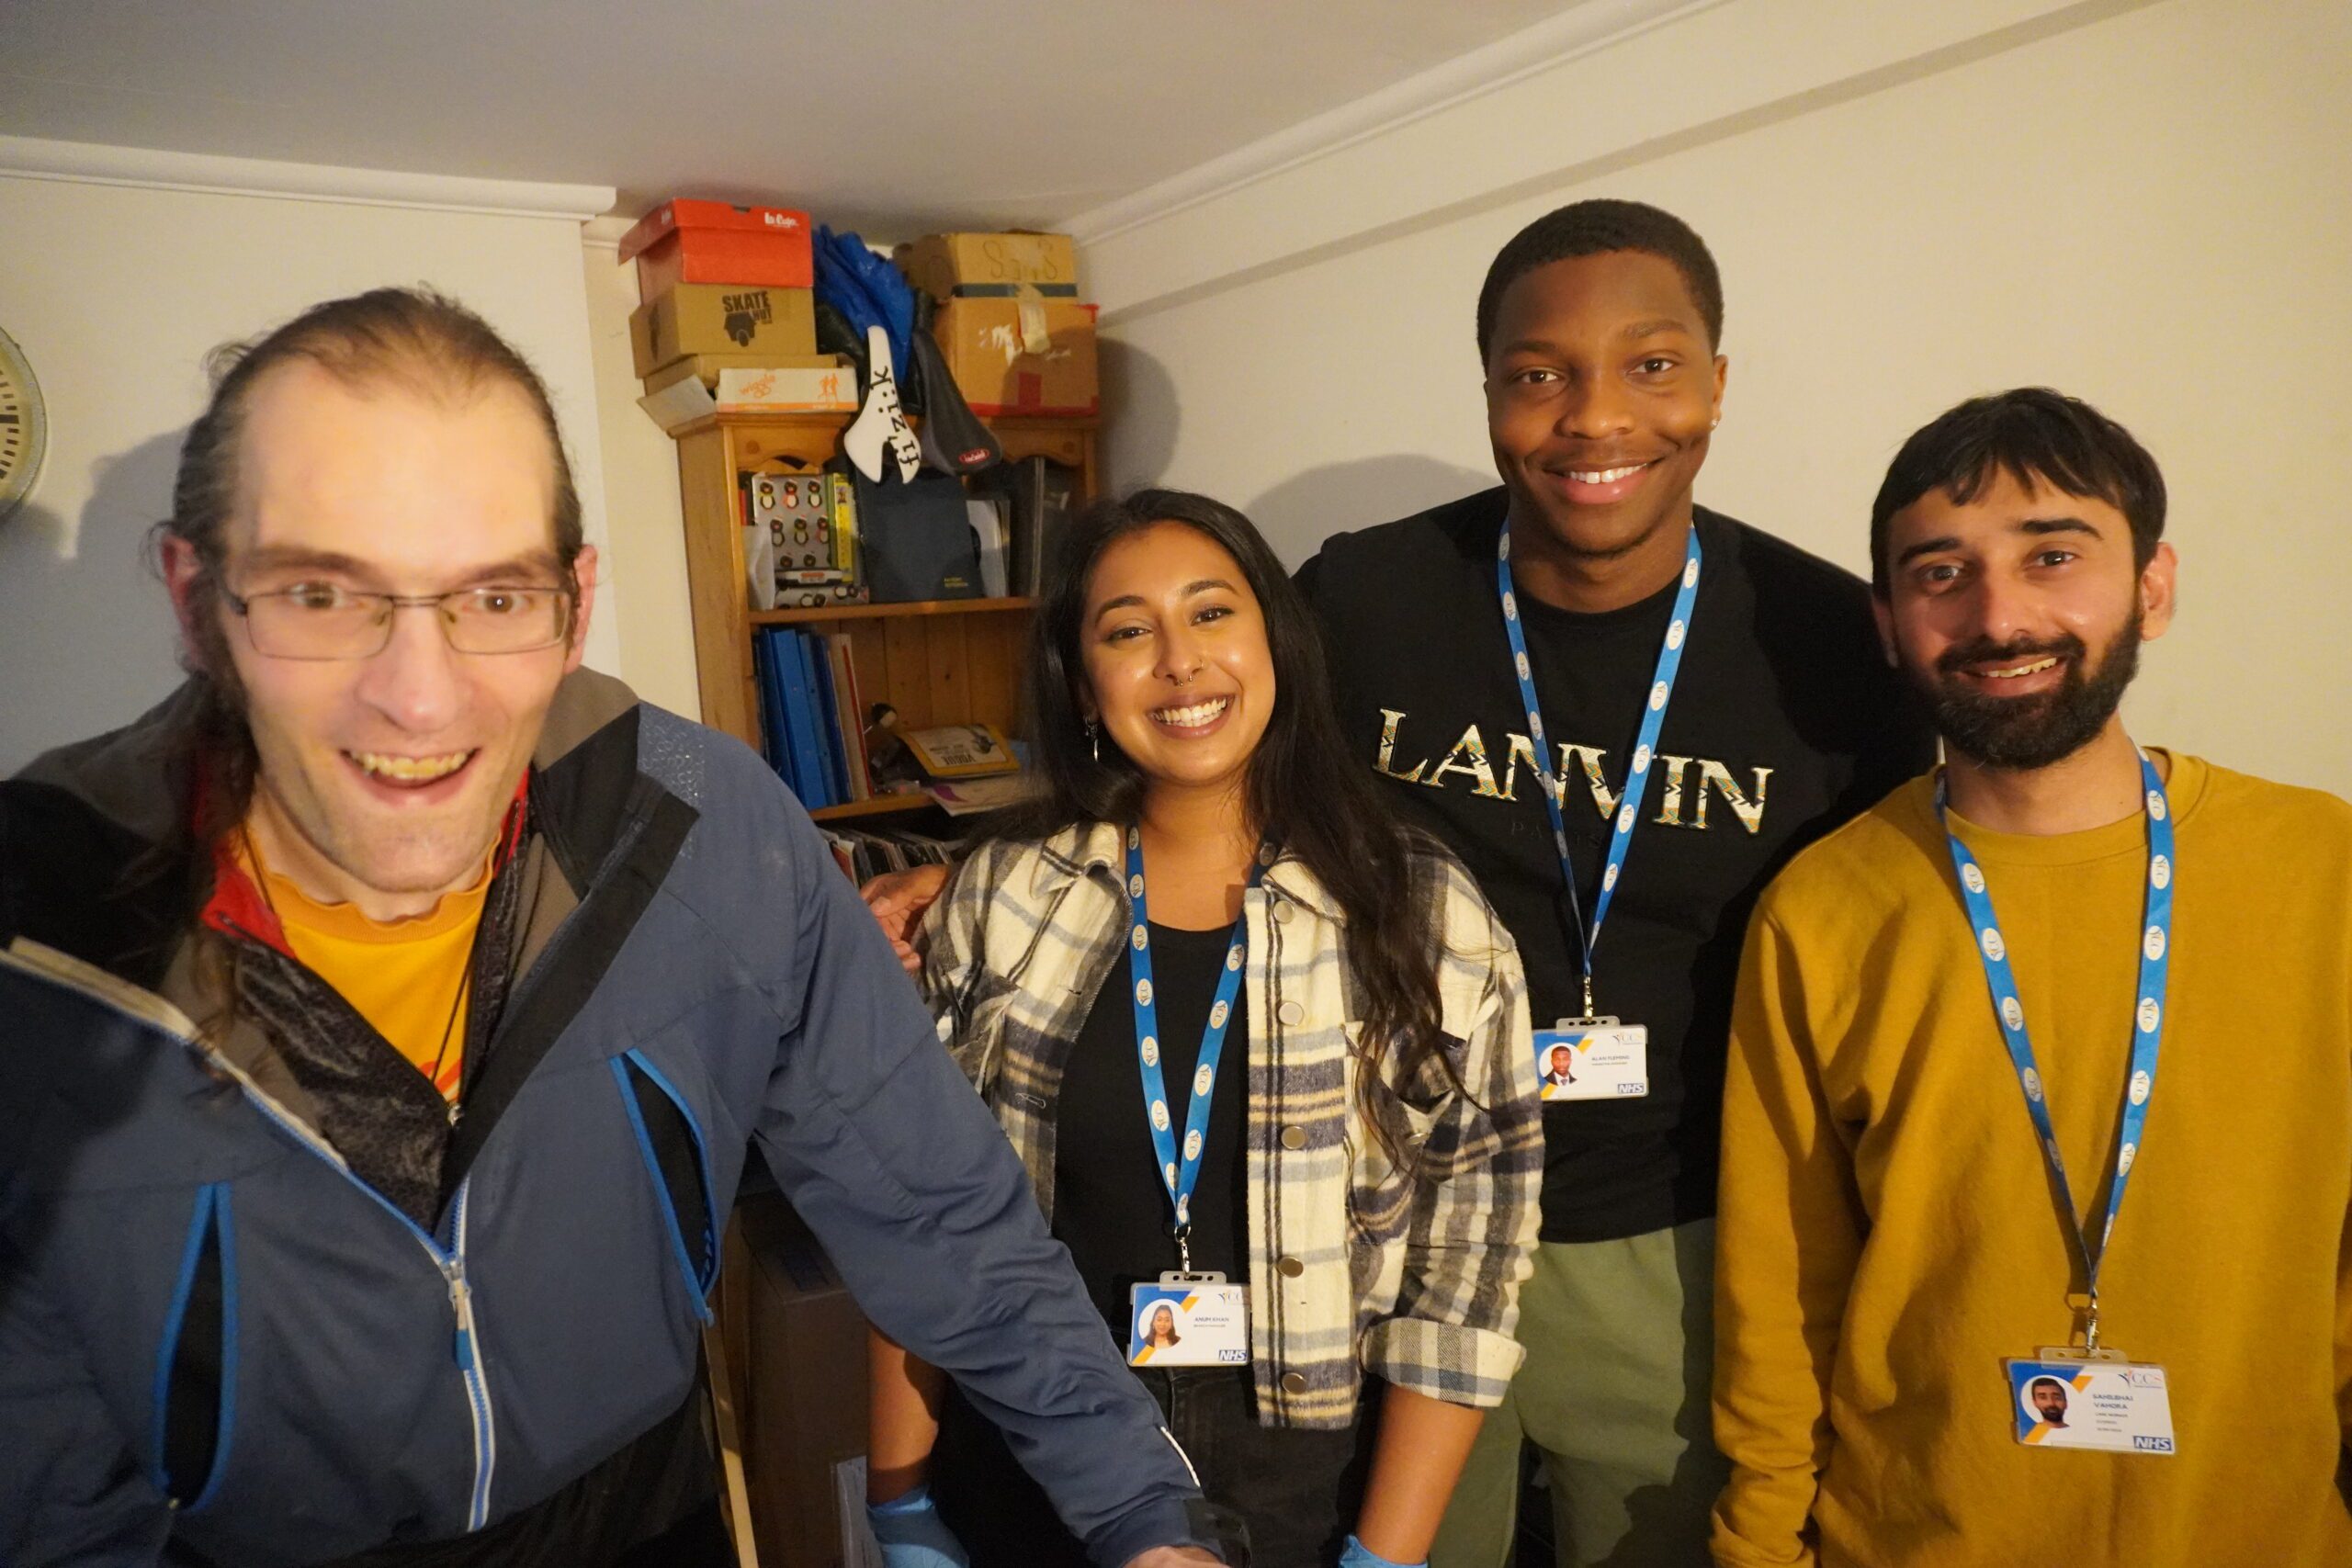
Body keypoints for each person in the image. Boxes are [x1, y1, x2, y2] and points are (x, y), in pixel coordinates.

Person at [0, 289, 1227, 1568]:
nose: (421, 696)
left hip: (650, 1516)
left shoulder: (706, 826)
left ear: (574, 604)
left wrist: (1145, 1516)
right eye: (322, 592)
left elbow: (942, 1213)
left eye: (493, 595)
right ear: (199, 603)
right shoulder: (42, 933)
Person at [1295, 201, 1935, 1568]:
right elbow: (1211, 783)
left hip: (1676, 1238)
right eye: (1541, 373)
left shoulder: (1826, 640)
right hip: (1396, 1208)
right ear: (1490, 394)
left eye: (1651, 364)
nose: (1596, 419)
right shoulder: (1367, 597)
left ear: (1716, 381)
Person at [1712, 389, 2352, 1565]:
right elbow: (1780, 1284)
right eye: (1940, 573)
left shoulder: (2324, 868)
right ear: (1888, 622)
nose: (2000, 616)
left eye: (2052, 555)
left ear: (2152, 586)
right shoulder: (1822, 907)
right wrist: (1756, 1543)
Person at [862, 491, 1543, 1568]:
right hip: (1037, 1457)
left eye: (1212, 613)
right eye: (1128, 631)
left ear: (1275, 640)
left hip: (1308, 1486)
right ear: (1084, 685)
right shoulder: (1004, 898)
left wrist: (1386, 1554)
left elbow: (1468, 1269)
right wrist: (899, 1499)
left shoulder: (1419, 915)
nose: (1179, 661)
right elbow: (928, 1220)